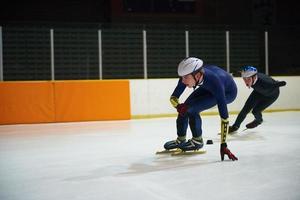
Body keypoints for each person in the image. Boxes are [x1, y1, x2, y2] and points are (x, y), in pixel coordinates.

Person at [164, 57, 238, 161]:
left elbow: (224, 117)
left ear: (197, 75)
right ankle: (181, 139)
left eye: (186, 78)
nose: (183, 81)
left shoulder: (215, 82)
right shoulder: (189, 75)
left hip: (227, 92)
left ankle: (197, 141)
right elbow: (173, 98)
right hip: (207, 87)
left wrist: (223, 145)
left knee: (191, 109)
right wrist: (178, 106)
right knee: (185, 108)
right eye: (181, 77)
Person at [228, 66, 286, 133]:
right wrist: (229, 75)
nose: (246, 81)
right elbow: (238, 73)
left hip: (271, 95)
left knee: (255, 111)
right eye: (244, 79)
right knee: (245, 109)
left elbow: (275, 84)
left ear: (254, 77)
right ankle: (235, 126)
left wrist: (279, 83)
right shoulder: (248, 75)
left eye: (248, 79)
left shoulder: (265, 81)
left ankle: (259, 120)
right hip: (258, 92)